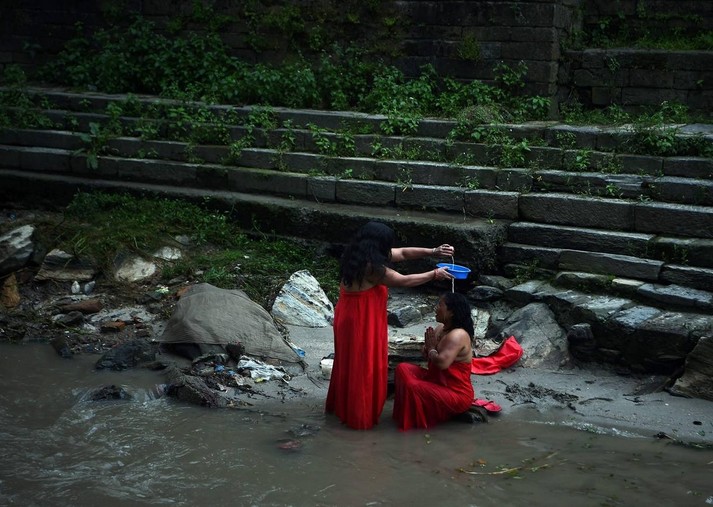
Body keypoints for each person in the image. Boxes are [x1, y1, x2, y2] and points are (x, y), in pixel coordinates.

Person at [325, 221, 455, 430]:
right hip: (360, 320)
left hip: (352, 316)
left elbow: (402, 253)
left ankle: (346, 407)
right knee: (363, 365)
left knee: (352, 363)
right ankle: (359, 416)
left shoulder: (358, 253)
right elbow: (403, 281)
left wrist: (433, 251)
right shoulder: (371, 268)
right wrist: (434, 274)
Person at [392, 291, 475, 431]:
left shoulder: (458, 335)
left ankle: (418, 422)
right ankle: (420, 412)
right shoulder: (440, 328)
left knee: (413, 386)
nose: (436, 308)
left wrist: (431, 349)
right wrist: (427, 350)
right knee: (403, 368)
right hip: (435, 382)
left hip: (456, 393)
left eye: (440, 305)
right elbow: (431, 355)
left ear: (451, 312)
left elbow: (442, 363)